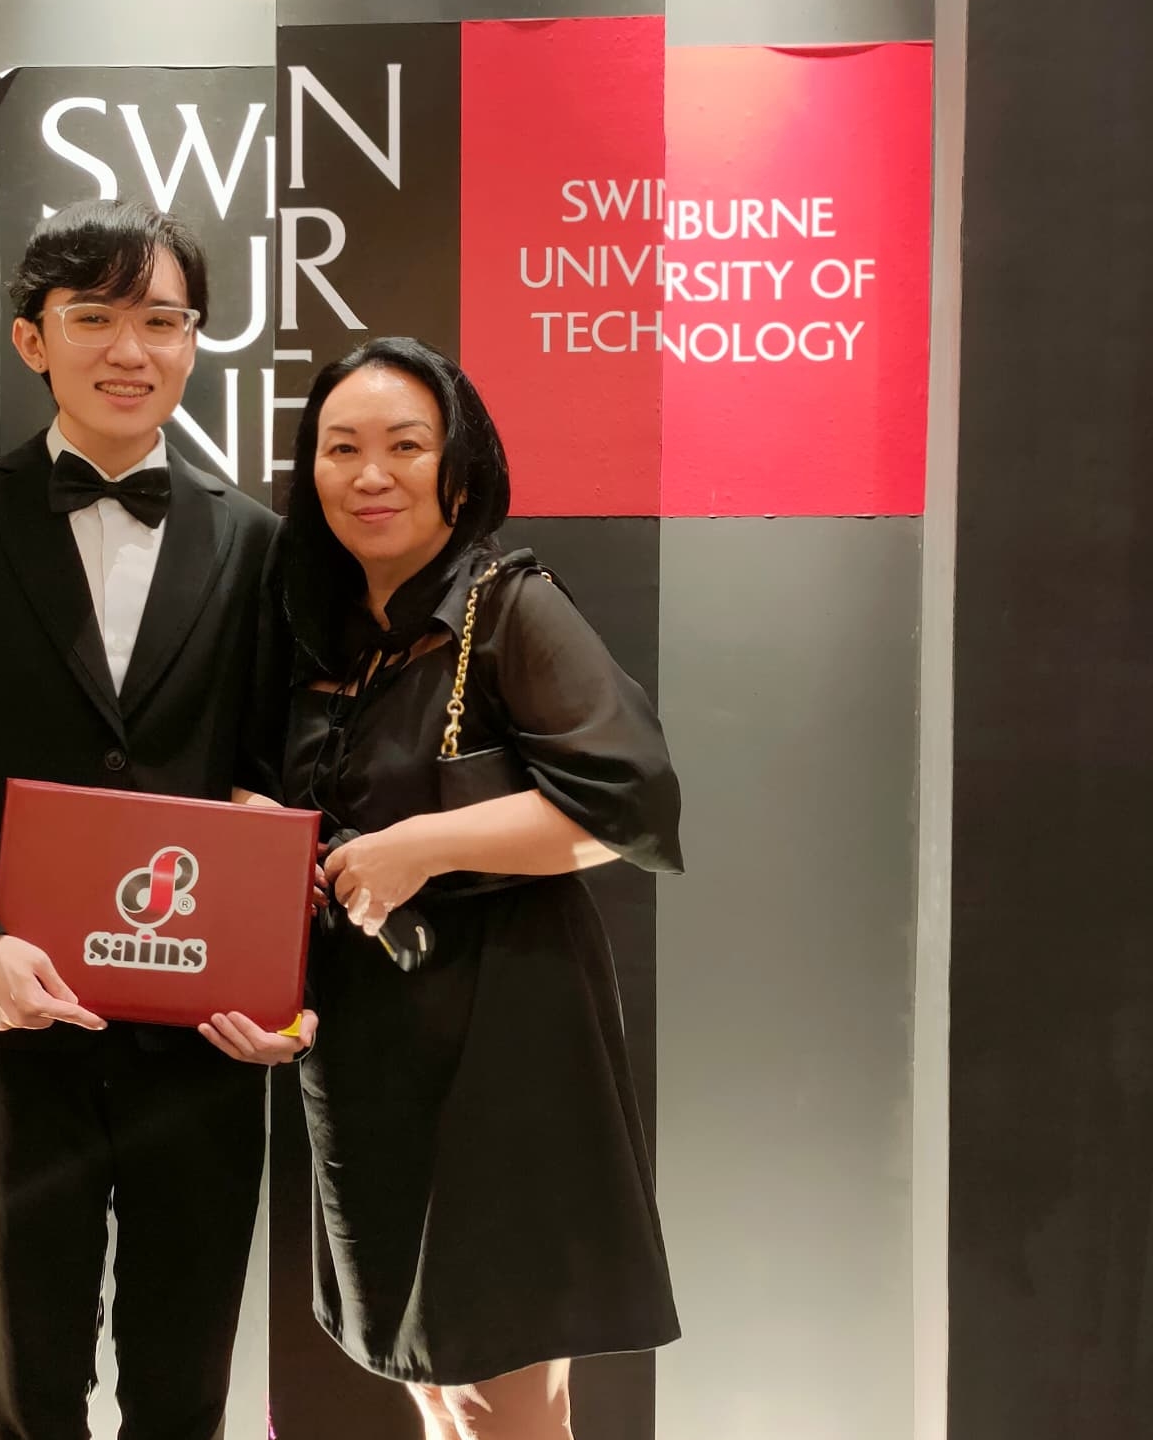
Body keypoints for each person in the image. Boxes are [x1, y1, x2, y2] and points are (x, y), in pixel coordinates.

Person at [0, 198, 309, 1440]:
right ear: (31, 339)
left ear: (196, 341)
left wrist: (281, 972)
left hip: (201, 1040)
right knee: (30, 1388)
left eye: (162, 320)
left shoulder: (257, 545)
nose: (130, 350)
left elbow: (278, 776)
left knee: (184, 1390)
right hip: (16, 1027)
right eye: (95, 318)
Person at [278, 337, 683, 1440]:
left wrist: (422, 846)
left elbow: (630, 805)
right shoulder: (330, 633)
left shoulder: (507, 606)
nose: (372, 474)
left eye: (406, 446)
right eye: (341, 448)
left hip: (504, 1043)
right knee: (436, 1384)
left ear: (460, 466)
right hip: (368, 1052)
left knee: (501, 1394)